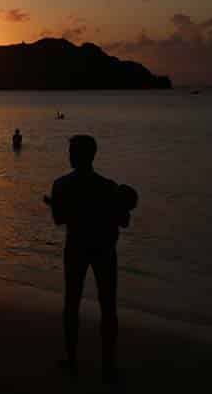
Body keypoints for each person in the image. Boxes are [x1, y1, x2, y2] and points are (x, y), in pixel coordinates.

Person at [43, 135, 135, 383]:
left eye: (72, 151)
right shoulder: (108, 186)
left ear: (81, 155)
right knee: (108, 305)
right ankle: (108, 365)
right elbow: (124, 221)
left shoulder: (61, 185)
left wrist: (58, 206)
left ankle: (72, 360)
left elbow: (60, 219)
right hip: (104, 249)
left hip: (77, 248)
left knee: (72, 302)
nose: (70, 155)